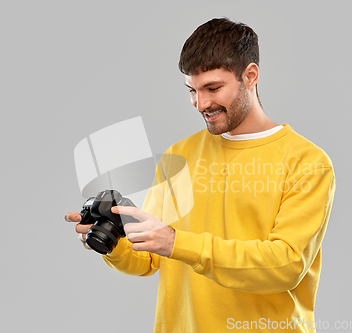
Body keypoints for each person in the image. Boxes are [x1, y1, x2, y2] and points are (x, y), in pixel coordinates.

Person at [65, 17, 336, 333]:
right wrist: (114, 242)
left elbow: (285, 265)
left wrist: (176, 242)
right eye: (192, 90)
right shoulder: (179, 155)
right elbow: (153, 258)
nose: (201, 103)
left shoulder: (307, 162)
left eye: (213, 88)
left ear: (250, 76)